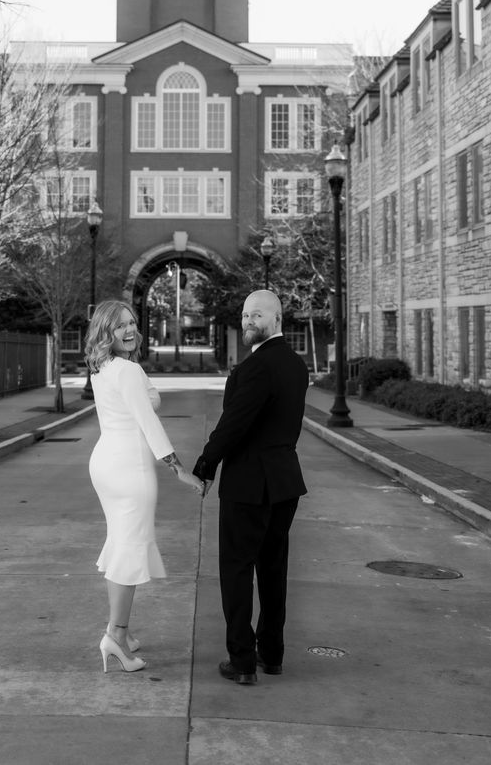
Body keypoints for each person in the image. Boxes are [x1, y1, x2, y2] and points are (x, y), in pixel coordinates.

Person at [193, 289, 309, 685]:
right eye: (245, 315)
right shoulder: (296, 365)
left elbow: (234, 424)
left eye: (256, 315)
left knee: (237, 569)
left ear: (277, 319)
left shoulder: (257, 367)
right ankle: (271, 654)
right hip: (284, 483)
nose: (248, 321)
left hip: (248, 486)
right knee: (273, 569)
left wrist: (206, 463)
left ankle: (242, 660)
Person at [86, 299, 203, 674]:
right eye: (120, 325)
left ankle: (119, 629)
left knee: (121, 544)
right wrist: (178, 468)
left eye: (132, 322)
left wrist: (148, 395)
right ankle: (116, 637)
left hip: (105, 463)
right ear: (106, 332)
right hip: (129, 468)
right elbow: (149, 421)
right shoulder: (129, 371)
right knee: (129, 550)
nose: (130, 329)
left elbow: (144, 399)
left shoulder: (103, 367)